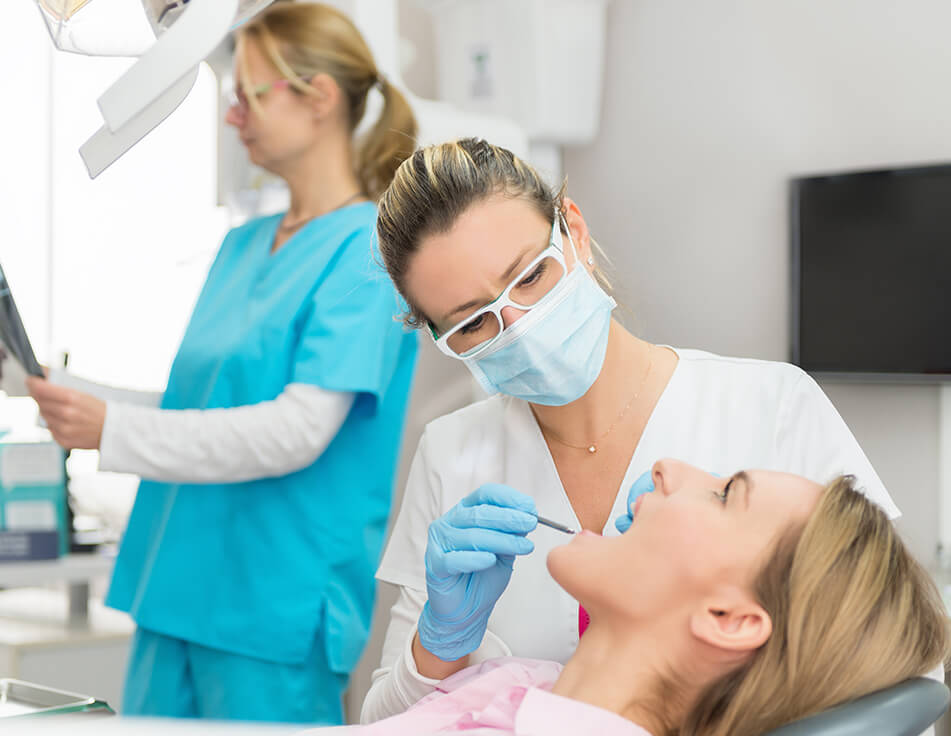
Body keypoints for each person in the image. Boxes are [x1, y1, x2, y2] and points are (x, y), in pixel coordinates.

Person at [360, 138, 903, 721]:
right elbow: (384, 721)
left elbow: (893, 668)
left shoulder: (773, 404)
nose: (519, 327)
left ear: (574, 232)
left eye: (531, 276)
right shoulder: (451, 452)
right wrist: (439, 645)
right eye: (473, 324)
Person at [26, 3, 418, 724]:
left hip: (271, 607)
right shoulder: (245, 243)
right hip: (175, 589)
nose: (232, 116)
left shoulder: (368, 254)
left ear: (319, 97)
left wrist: (110, 430)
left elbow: (295, 431)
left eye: (248, 94)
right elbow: (191, 408)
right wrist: (46, 384)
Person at [310, 461, 948, 735]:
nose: (667, 466)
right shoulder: (522, 682)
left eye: (725, 494)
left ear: (728, 618)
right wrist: (443, 643)